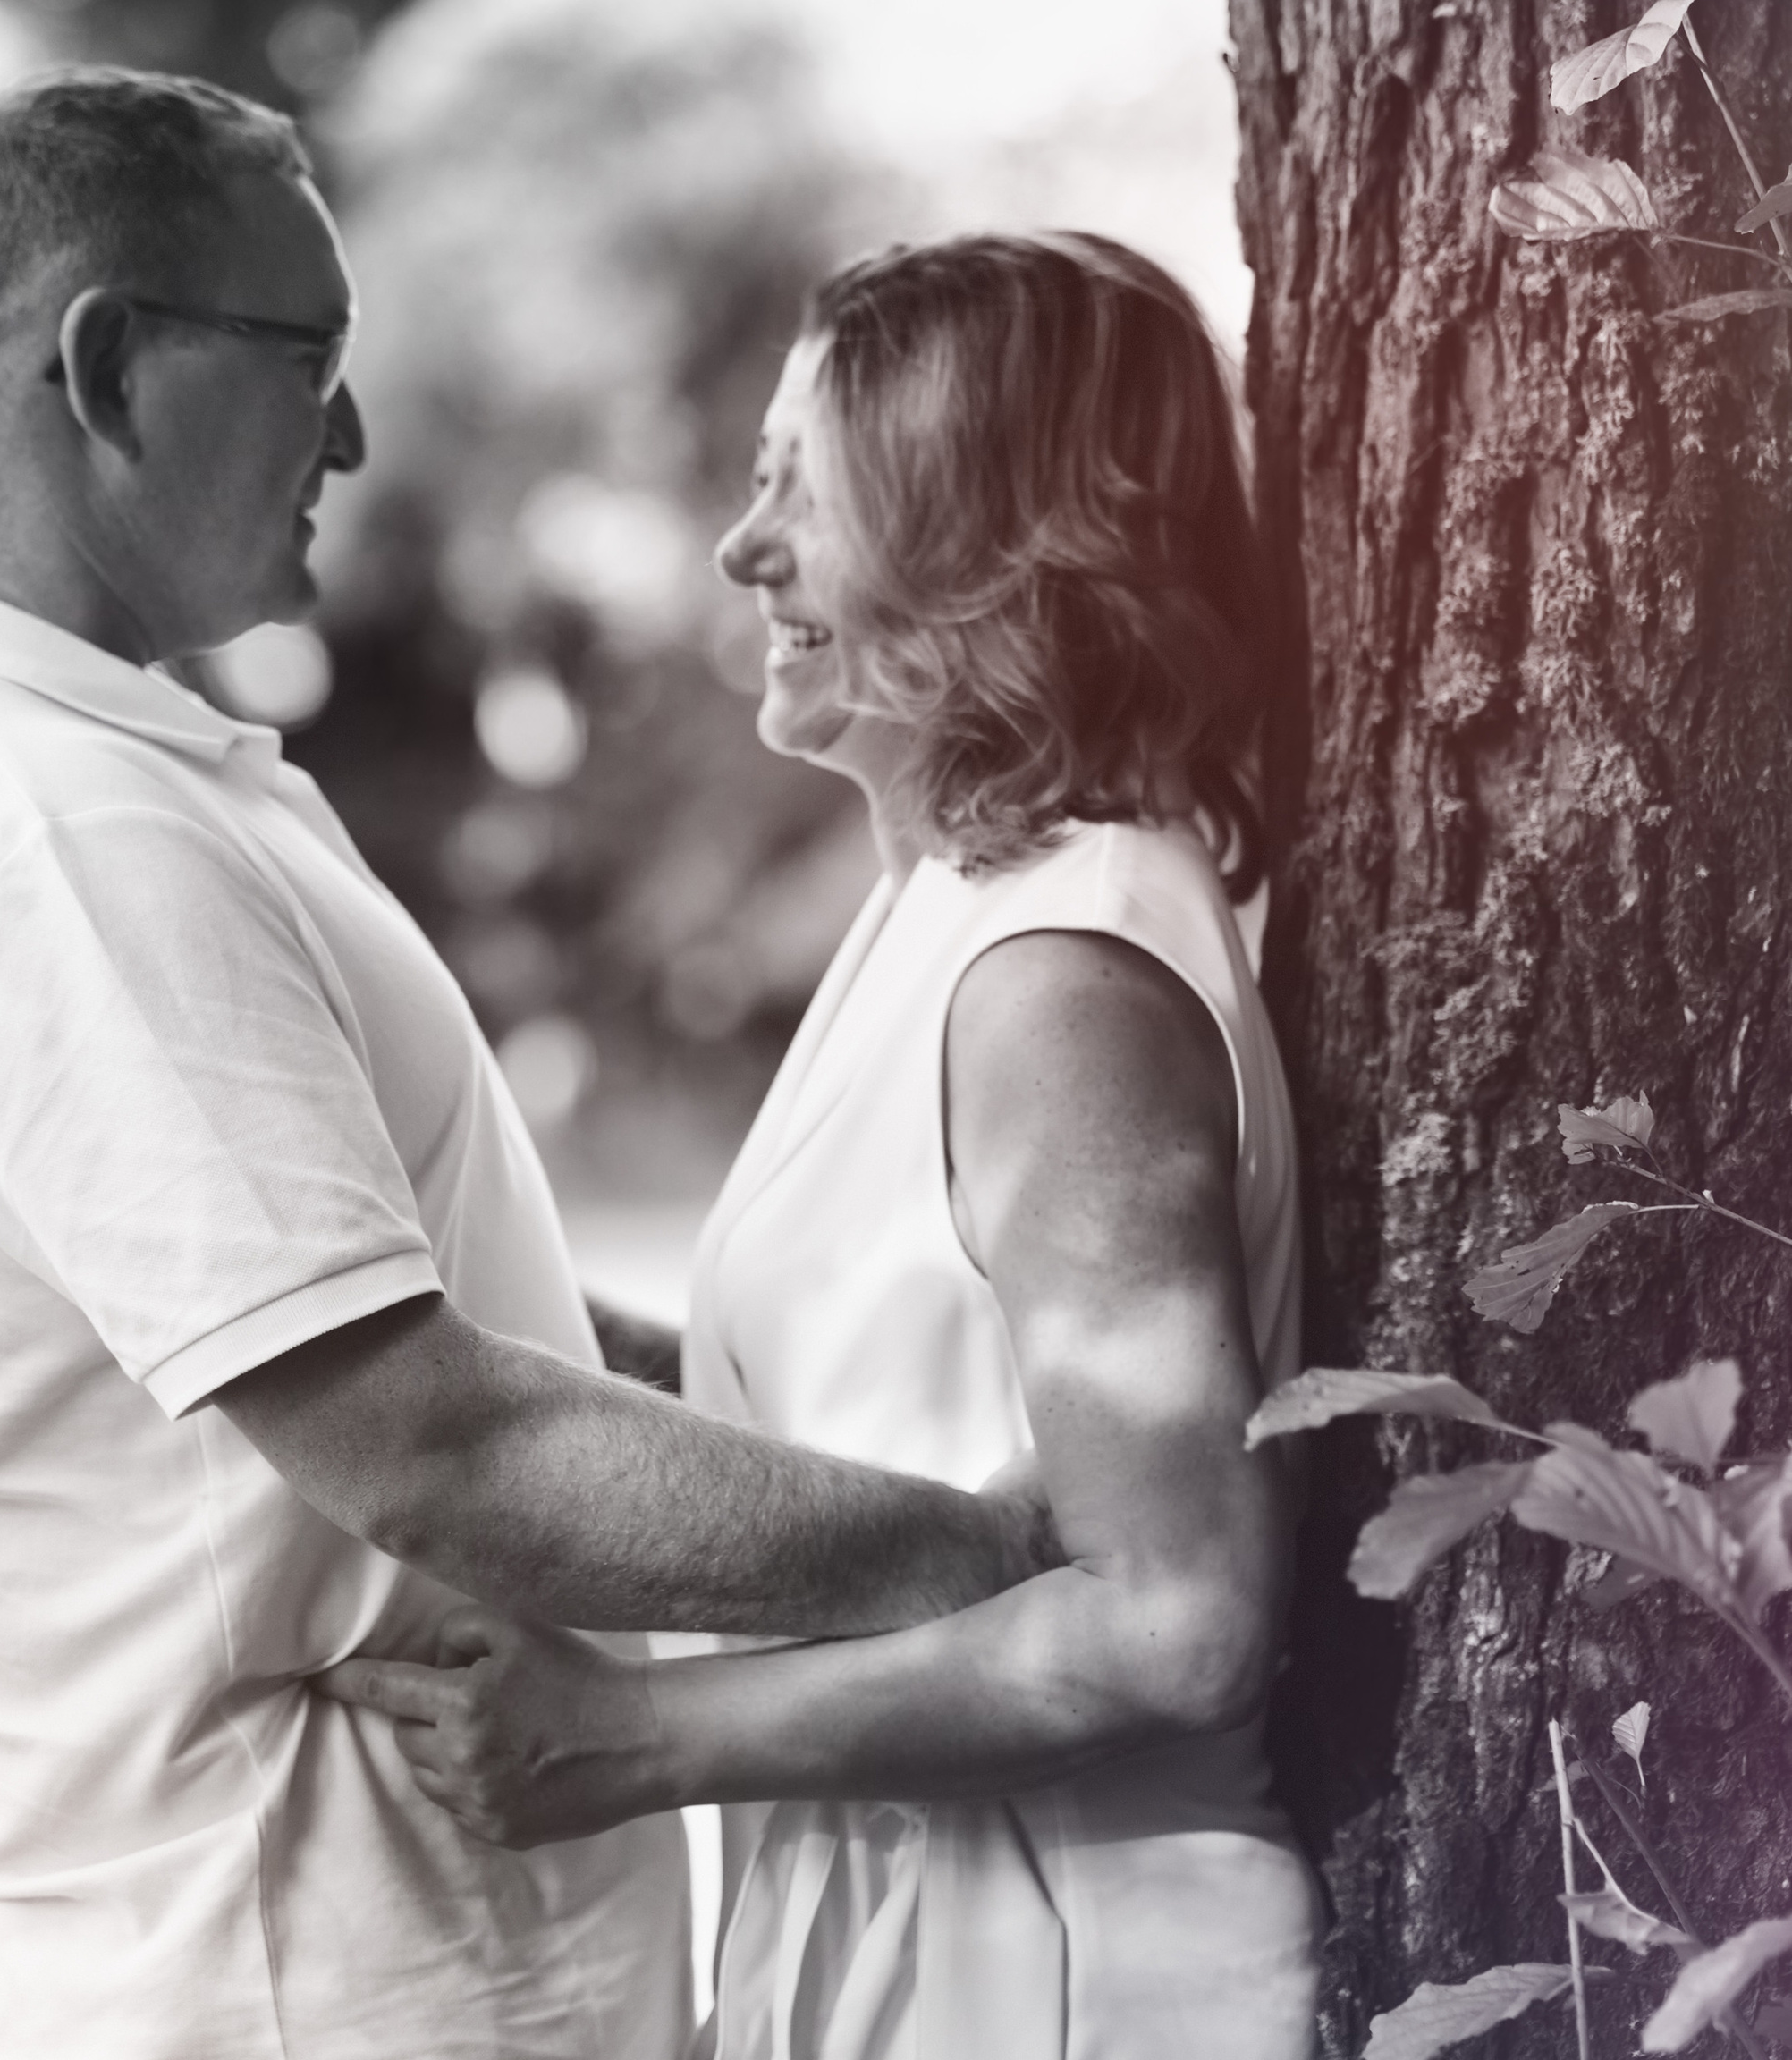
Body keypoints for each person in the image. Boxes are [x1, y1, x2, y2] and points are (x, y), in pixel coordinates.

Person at [0, 72, 1057, 2060]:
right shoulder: (41, 837)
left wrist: (843, 1389)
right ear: (105, 370)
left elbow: (441, 1310)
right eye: (307, 359)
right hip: (292, 1995)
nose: (346, 431)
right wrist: (1012, 1559)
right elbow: (439, 1443)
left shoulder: (56, 767)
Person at [319, 234, 1327, 2059]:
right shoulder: (945, 903)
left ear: (984, 536)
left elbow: (1177, 1615)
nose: (739, 543)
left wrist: (638, 1741)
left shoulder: (1059, 980)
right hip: (894, 1943)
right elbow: (858, 1419)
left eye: (806, 484)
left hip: (1070, 1970)